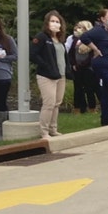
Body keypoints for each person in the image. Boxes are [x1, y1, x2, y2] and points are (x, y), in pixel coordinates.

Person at [30, 10, 69, 139]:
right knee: (49, 103)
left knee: (57, 103)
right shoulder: (42, 37)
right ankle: (44, 131)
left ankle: (53, 128)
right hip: (47, 75)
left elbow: (63, 56)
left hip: (60, 75)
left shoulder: (60, 39)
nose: (55, 24)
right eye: (52, 21)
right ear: (47, 23)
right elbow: (33, 54)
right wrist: (45, 65)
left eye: (57, 22)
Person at [65, 20, 99, 115]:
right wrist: (73, 64)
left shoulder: (91, 40)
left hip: (88, 68)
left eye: (80, 27)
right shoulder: (74, 39)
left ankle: (92, 108)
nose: (77, 29)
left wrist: (82, 65)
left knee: (89, 89)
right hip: (76, 68)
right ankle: (78, 108)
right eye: (77, 27)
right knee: (78, 88)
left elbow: (92, 55)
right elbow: (71, 53)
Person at [0, 13, 17, 141]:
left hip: (3, 76)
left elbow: (15, 56)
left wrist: (0, 57)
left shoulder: (8, 40)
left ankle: (1, 132)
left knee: (1, 103)